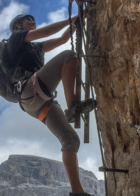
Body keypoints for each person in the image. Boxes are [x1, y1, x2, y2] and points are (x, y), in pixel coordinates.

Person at [7, 12, 96, 196]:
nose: (33, 21)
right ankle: (73, 108)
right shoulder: (15, 38)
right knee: (67, 56)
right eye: (28, 19)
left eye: (33, 18)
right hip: (29, 90)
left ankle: (77, 192)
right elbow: (46, 31)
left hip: (35, 103)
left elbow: (62, 39)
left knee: (70, 139)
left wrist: (78, 22)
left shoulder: (36, 48)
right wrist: (70, 20)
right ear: (17, 26)